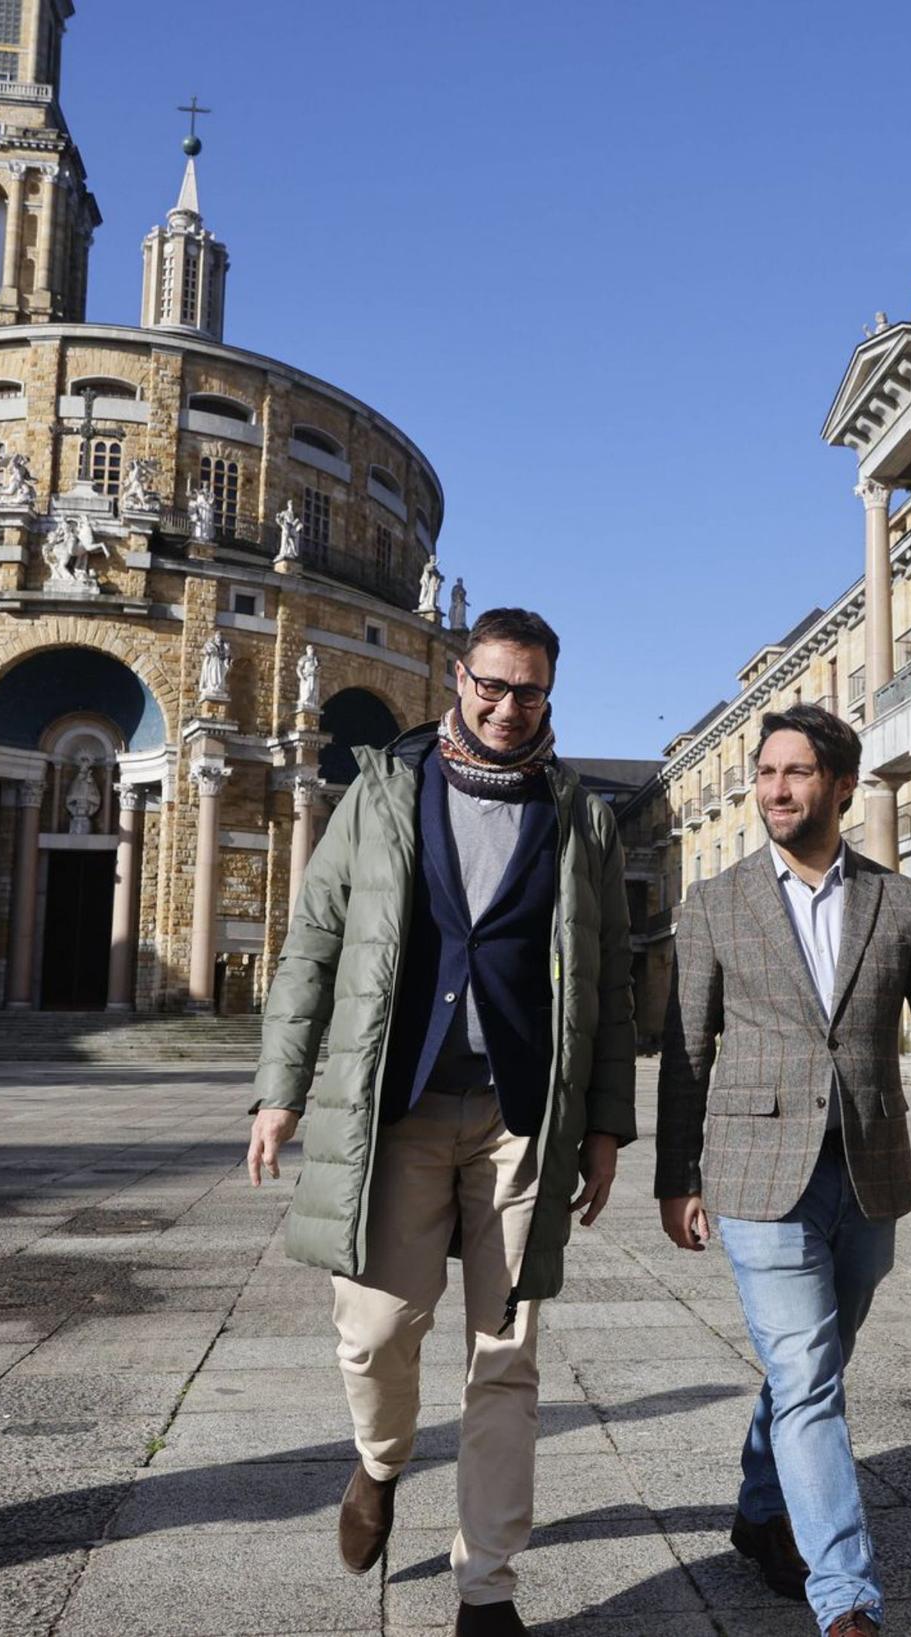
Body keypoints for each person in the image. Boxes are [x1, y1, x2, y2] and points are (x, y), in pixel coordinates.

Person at [247, 607, 636, 1636]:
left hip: (521, 1116)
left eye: (532, 691)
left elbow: (608, 982)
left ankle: (488, 1587)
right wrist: (280, 1086)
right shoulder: (381, 792)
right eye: (493, 685)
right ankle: (378, 1463)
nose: (510, 707)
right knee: (377, 1329)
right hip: (397, 1107)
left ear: (552, 693)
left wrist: (604, 1125)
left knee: (504, 1354)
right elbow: (313, 942)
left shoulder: (582, 816)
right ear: (459, 678)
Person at [655, 703, 911, 1637]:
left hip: (866, 1169)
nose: (773, 789)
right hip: (754, 1172)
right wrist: (674, 1176)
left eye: (795, 773)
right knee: (810, 1375)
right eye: (766, 772)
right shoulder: (717, 901)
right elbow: (686, 1047)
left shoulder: (896, 900)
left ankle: (760, 1509)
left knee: (808, 1362)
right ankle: (846, 1600)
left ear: (842, 786)